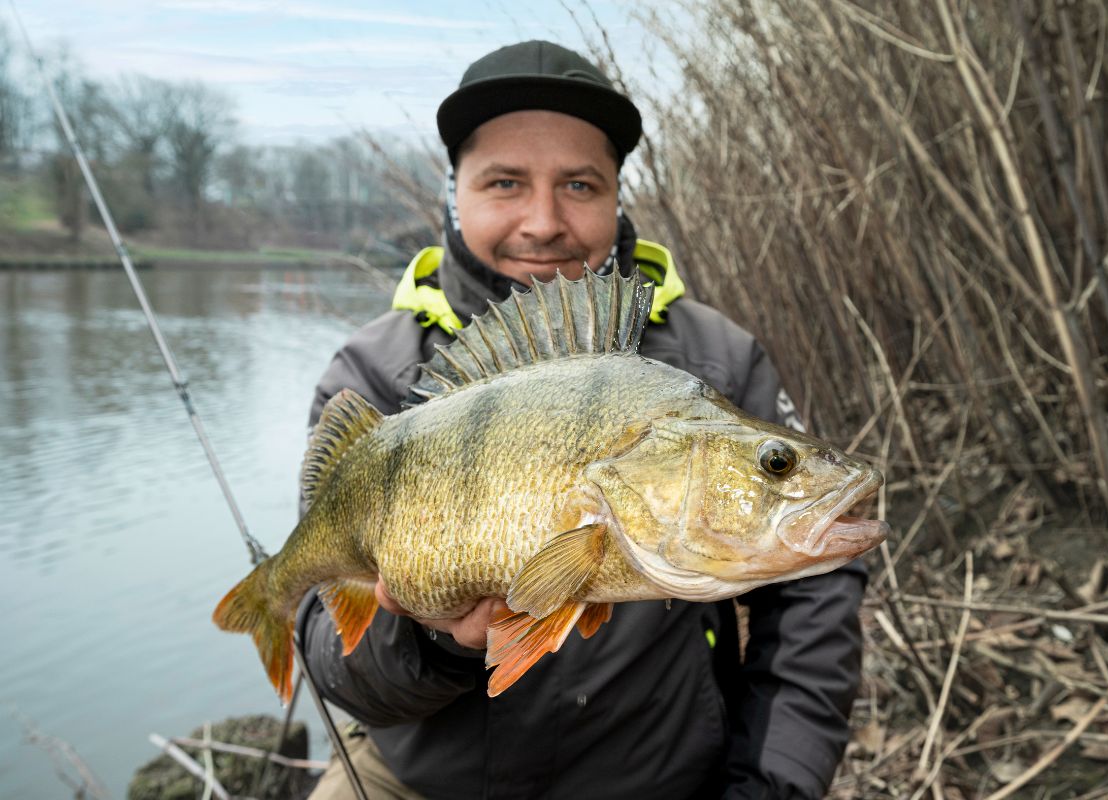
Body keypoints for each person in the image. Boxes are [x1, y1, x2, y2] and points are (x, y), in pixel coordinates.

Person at [297, 40, 867, 800]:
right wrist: (435, 641)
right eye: (505, 182)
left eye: (579, 184)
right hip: (419, 779)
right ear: (453, 192)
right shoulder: (372, 377)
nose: (544, 220)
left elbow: (814, 606)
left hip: (659, 779)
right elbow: (337, 665)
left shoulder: (716, 360)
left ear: (617, 197)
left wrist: (770, 787)